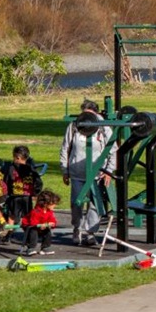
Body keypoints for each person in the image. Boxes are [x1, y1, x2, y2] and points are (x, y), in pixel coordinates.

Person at [60, 99, 118, 246]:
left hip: (97, 173)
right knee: (76, 203)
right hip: (77, 173)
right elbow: (66, 148)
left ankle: (90, 233)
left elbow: (113, 150)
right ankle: (76, 229)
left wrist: (109, 171)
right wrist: (64, 170)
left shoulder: (104, 127)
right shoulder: (74, 126)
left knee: (94, 204)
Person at [3, 144, 42, 240]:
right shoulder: (31, 168)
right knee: (27, 216)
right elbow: (38, 181)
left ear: (17, 157)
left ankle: (9, 233)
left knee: (12, 216)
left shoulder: (11, 168)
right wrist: (36, 192)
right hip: (27, 196)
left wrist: (6, 191)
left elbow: (7, 180)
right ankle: (29, 234)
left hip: (14, 196)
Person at [20, 189, 62, 256]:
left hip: (41, 226)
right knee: (33, 231)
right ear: (46, 204)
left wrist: (52, 224)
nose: (55, 205)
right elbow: (33, 223)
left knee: (47, 231)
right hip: (30, 226)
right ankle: (31, 248)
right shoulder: (36, 211)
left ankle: (45, 248)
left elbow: (52, 220)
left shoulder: (49, 212)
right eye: (53, 203)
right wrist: (40, 225)